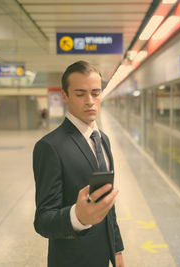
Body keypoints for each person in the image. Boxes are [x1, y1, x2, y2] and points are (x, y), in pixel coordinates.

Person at [33, 61, 124, 267]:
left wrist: (116, 249)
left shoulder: (103, 140)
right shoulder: (50, 147)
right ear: (65, 95)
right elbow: (43, 221)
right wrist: (77, 216)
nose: (90, 101)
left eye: (95, 92)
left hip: (103, 256)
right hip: (72, 260)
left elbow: (107, 203)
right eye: (80, 94)